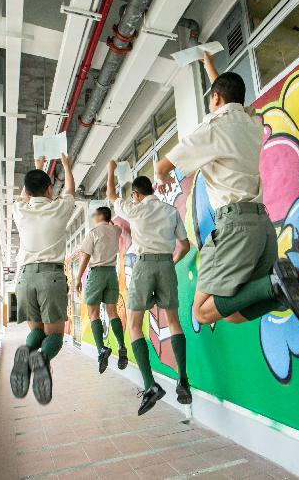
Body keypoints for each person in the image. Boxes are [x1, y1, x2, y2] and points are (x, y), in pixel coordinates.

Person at [154, 52, 299, 329]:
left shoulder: (212, 130)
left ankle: (275, 285)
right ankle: (284, 291)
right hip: (261, 227)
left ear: (215, 98)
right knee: (232, 312)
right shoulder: (251, 123)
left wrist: (160, 175)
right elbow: (232, 102)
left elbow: (164, 165)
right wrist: (210, 68)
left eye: (211, 98)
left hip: (235, 226)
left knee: (203, 311)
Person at [106, 162, 191, 415]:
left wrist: (110, 171)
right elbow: (184, 245)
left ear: (136, 194)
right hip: (166, 265)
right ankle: (183, 378)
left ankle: (149, 384)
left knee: (134, 325)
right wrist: (171, 262)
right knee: (173, 322)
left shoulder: (134, 209)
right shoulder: (171, 211)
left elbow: (111, 197)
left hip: (143, 267)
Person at [10, 154, 76, 405]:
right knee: (55, 337)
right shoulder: (59, 207)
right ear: (50, 189)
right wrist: (67, 166)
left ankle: (26, 352)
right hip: (51, 276)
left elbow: (24, 195)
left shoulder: (20, 209)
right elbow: (70, 189)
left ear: (27, 189)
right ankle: (41, 359)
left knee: (36, 331)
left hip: (24, 279)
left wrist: (37, 167)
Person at [75, 206, 126, 373]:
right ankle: (122, 346)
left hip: (96, 273)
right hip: (112, 273)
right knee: (112, 312)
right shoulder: (116, 231)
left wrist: (78, 278)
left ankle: (101, 350)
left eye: (95, 214)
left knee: (93, 313)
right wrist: (109, 220)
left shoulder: (93, 233)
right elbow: (115, 226)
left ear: (100, 215)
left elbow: (86, 256)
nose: (93, 217)